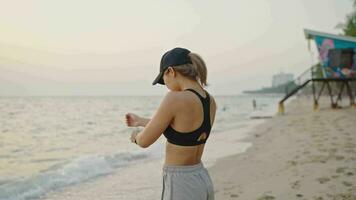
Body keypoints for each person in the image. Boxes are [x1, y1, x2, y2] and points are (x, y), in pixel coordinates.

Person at [125, 47, 217, 200]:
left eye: (163, 79)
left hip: (180, 182)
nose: (165, 84)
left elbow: (144, 141)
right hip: (201, 178)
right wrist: (141, 121)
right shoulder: (209, 100)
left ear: (171, 71)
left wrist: (135, 136)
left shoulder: (174, 98)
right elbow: (182, 131)